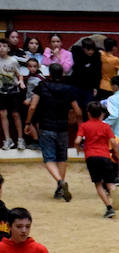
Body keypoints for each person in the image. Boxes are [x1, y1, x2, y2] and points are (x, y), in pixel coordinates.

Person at [23, 63, 80, 201]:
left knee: (49, 158)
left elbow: (32, 107)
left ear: (49, 72)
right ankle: (59, 188)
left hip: (46, 126)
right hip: (62, 127)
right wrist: (73, 120)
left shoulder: (42, 86)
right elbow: (77, 110)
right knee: (62, 157)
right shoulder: (68, 89)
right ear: (62, 74)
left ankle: (60, 182)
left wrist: (28, 123)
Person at [73, 101, 119, 219]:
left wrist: (79, 149)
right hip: (105, 156)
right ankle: (113, 190)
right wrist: (118, 158)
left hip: (91, 156)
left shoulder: (84, 126)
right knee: (110, 182)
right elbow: (113, 144)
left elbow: (76, 141)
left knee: (98, 183)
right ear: (101, 113)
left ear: (88, 113)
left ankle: (109, 207)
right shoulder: (106, 127)